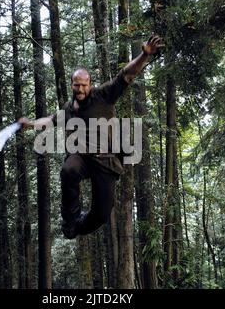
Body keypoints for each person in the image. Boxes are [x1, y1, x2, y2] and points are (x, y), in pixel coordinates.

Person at [19, 34, 162, 239]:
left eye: (84, 85)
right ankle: (70, 221)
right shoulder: (69, 109)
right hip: (82, 158)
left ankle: (78, 226)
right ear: (72, 85)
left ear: (90, 84)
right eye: (77, 85)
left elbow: (126, 75)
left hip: (105, 160)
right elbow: (50, 120)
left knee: (101, 215)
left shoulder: (103, 95)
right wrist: (30, 124)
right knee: (69, 169)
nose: (81, 89)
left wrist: (144, 55)